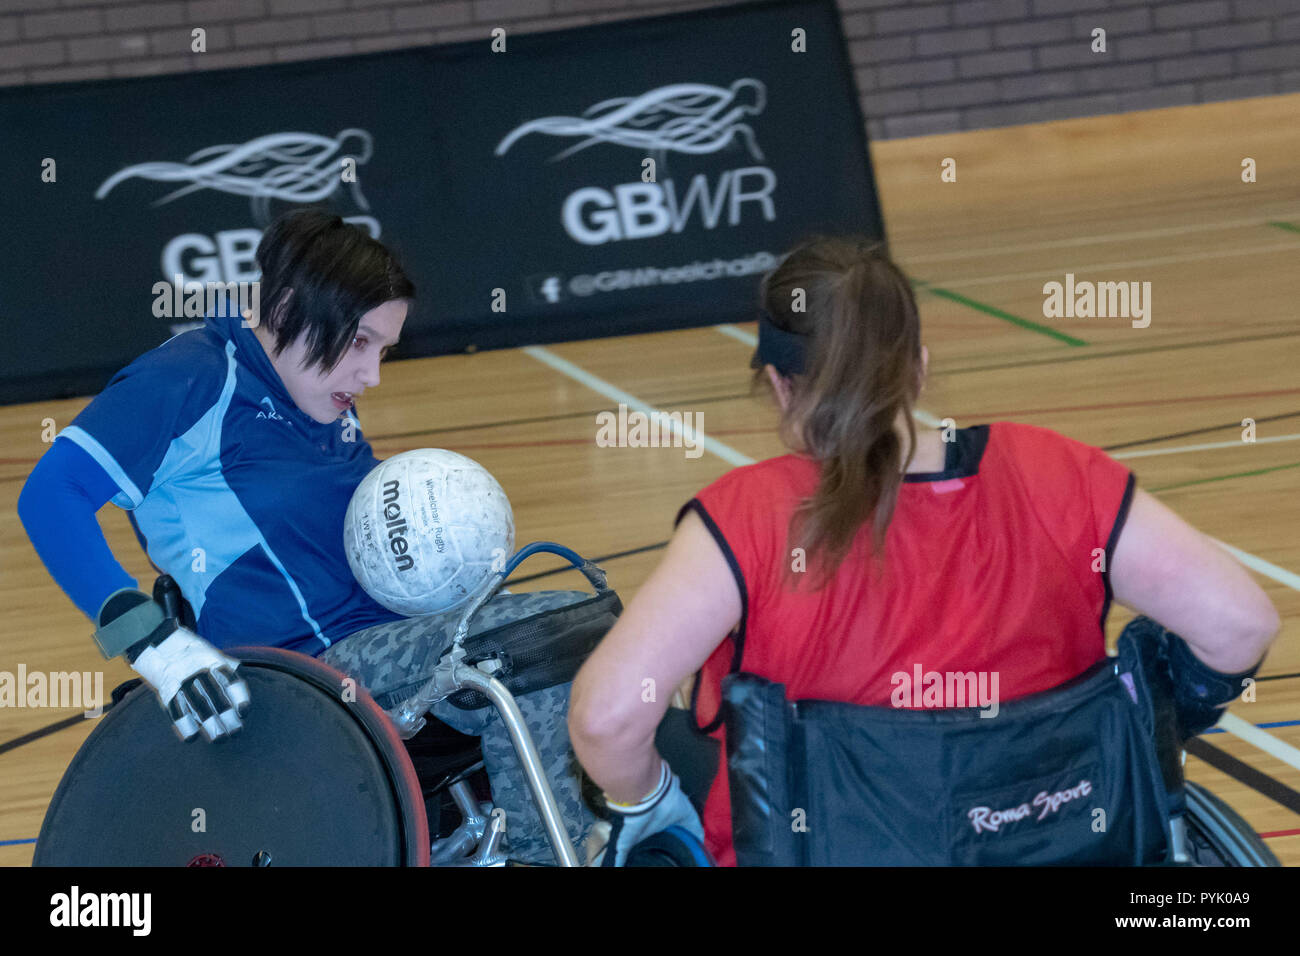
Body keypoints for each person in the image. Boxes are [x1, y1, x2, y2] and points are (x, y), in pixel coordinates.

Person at [567, 235, 1281, 867]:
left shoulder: (749, 515)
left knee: (671, 740)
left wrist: (648, 805)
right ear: (918, 366)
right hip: (1068, 837)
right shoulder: (1054, 469)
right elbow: (1239, 624)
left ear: (781, 387)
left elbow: (606, 719)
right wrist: (1144, 729)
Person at [18, 208, 595, 862]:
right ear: (290, 309)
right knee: (538, 634)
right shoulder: (192, 377)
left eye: (384, 350)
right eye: (359, 343)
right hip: (304, 676)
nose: (371, 374)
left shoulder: (323, 399)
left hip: (398, 645)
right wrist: (152, 643)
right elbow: (50, 497)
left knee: (584, 620)